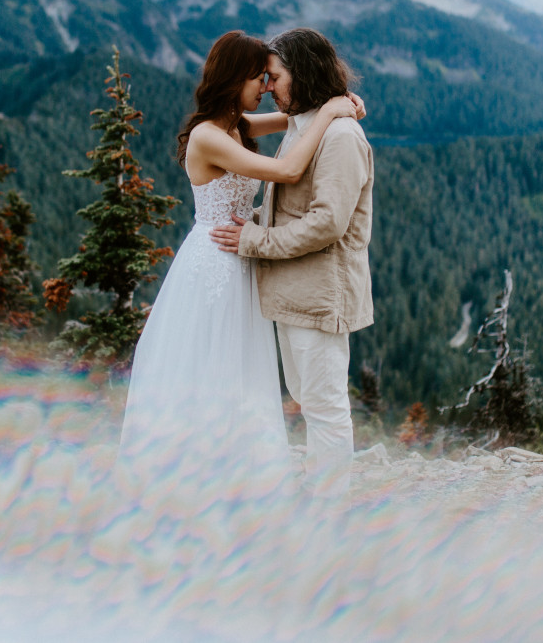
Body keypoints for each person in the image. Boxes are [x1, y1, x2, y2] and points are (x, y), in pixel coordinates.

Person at [118, 31, 362, 494]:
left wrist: (333, 104)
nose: (265, 87)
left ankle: (239, 476)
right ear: (236, 79)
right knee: (214, 368)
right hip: (215, 260)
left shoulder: (237, 125)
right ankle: (201, 480)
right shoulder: (210, 136)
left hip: (240, 255)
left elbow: (293, 124)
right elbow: (289, 169)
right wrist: (332, 110)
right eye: (258, 78)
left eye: (269, 78)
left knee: (241, 372)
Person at [210, 28, 374, 499]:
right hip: (295, 293)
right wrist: (257, 220)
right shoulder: (305, 126)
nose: (269, 86)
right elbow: (293, 205)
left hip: (321, 294)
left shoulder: (340, 137)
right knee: (308, 400)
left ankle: (329, 508)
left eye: (275, 76)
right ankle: (320, 492)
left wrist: (254, 238)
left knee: (323, 405)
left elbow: (326, 224)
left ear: (300, 75)